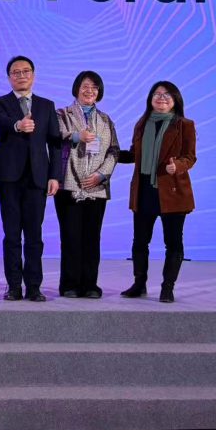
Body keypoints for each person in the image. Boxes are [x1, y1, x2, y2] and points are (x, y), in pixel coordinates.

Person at [0, 55, 62, 302]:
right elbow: (0, 122)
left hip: (37, 179)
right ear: (9, 77)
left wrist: (55, 176)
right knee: (11, 235)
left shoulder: (46, 105)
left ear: (33, 75)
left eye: (25, 71)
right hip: (9, 178)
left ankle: (33, 286)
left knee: (34, 236)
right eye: (16, 72)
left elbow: (55, 143)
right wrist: (18, 125)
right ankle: (13, 286)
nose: (21, 75)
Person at [117, 81, 196, 303]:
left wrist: (177, 166)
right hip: (144, 191)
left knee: (173, 242)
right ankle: (139, 283)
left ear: (175, 100)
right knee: (140, 241)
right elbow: (134, 154)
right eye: (157, 94)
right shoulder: (142, 123)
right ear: (150, 98)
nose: (161, 98)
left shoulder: (185, 125)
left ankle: (167, 287)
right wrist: (111, 153)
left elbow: (190, 157)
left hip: (172, 192)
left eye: (167, 94)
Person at [54, 71, 120, 300]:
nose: (90, 90)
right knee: (71, 237)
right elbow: (55, 135)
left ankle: (90, 284)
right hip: (69, 185)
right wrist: (76, 136)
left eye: (94, 87)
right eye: (85, 86)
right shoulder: (62, 114)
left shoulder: (105, 120)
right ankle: (70, 285)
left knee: (92, 238)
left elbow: (114, 151)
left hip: (96, 188)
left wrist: (101, 175)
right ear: (77, 89)